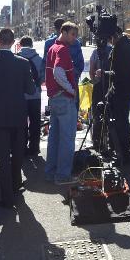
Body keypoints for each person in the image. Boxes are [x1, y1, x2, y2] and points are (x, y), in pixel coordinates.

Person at [0, 28, 37, 207]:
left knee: (3, 157)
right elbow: (31, 89)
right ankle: (16, 184)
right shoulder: (23, 62)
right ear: (13, 43)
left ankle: (7, 197)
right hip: (18, 113)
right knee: (17, 153)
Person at [45, 22, 80, 184]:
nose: (75, 38)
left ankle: (51, 171)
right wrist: (71, 90)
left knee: (54, 136)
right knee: (67, 138)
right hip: (64, 98)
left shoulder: (52, 47)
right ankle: (62, 175)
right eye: (72, 34)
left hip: (54, 97)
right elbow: (58, 72)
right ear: (63, 32)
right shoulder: (62, 49)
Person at [101, 19, 130, 163]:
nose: (110, 42)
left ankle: (122, 152)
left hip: (122, 90)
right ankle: (121, 151)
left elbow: (120, 73)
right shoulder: (129, 46)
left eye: (110, 39)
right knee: (121, 121)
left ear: (114, 36)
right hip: (126, 89)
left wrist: (105, 73)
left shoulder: (122, 48)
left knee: (121, 123)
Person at [16, 36, 45, 155]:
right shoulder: (39, 59)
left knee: (21, 122)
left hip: (20, 96)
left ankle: (21, 147)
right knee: (35, 122)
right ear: (32, 45)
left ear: (21, 45)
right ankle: (34, 147)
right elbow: (43, 77)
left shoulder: (16, 58)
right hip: (35, 95)